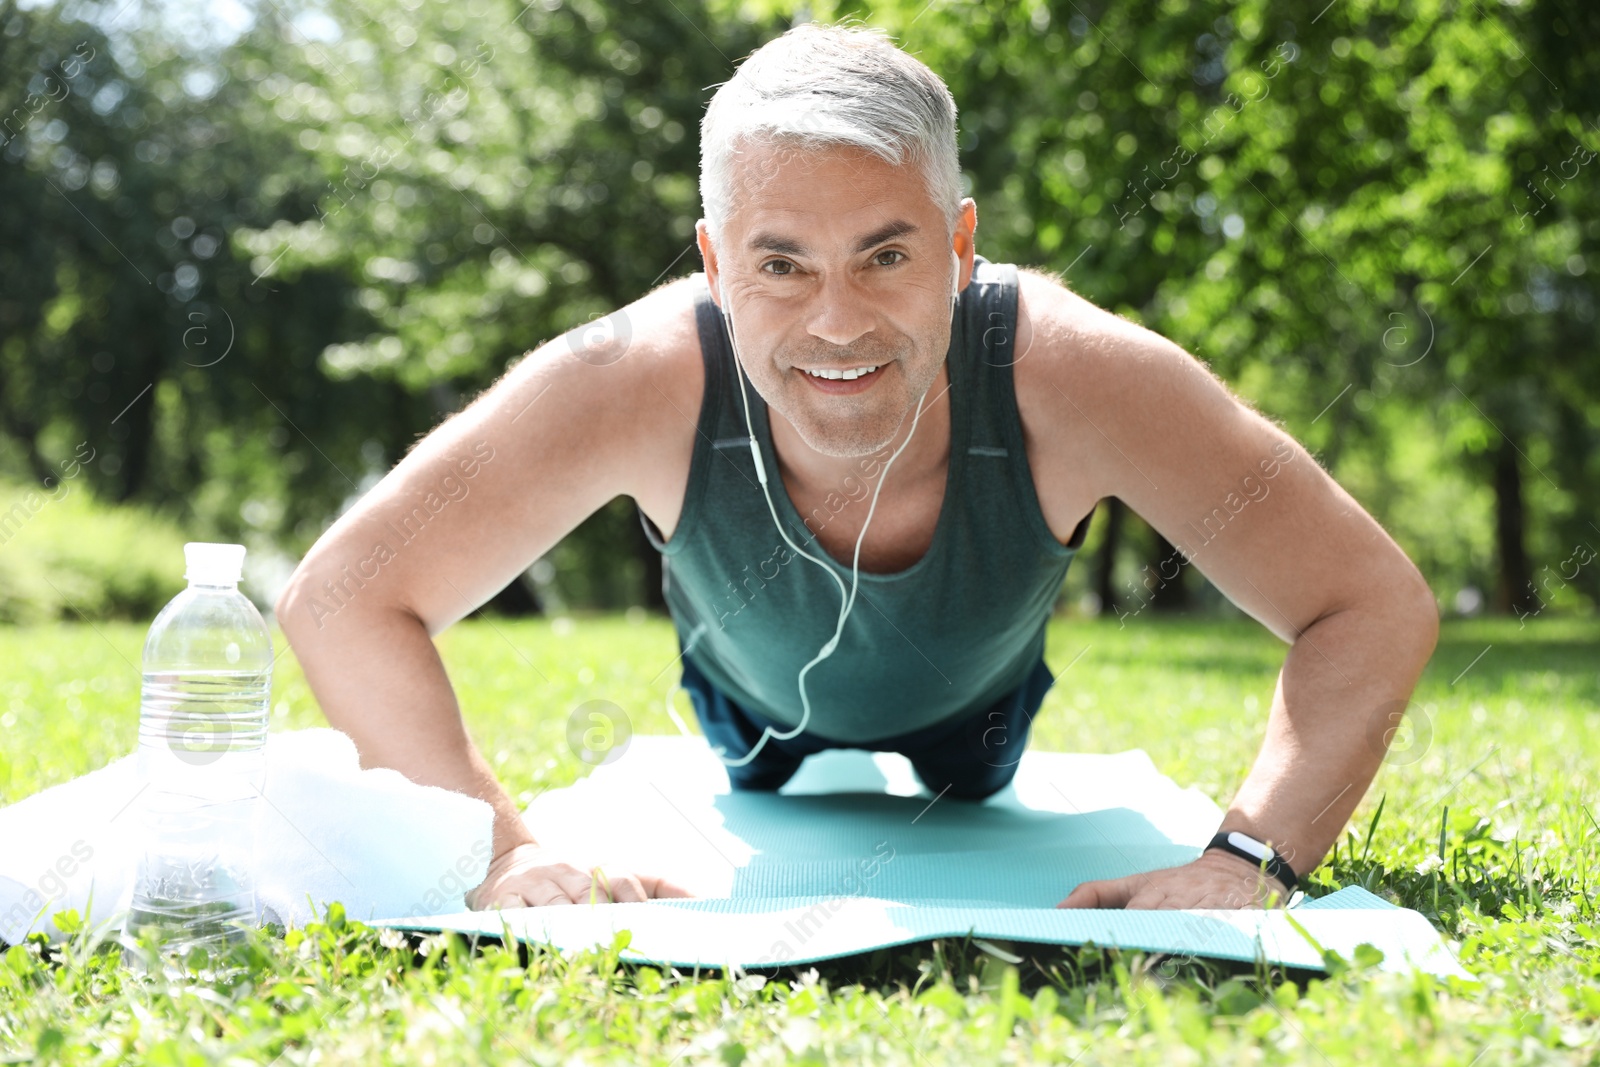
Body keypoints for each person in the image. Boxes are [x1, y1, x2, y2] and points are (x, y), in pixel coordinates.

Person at [275, 23, 1439, 912]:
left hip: (978, 719)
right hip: (746, 715)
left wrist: (1249, 857)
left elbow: (1367, 602)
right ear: (715, 259)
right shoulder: (633, 373)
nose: (837, 323)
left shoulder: (1074, 372)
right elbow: (343, 595)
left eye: (885, 254)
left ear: (961, 243)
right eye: (780, 265)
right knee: (758, 752)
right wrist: (506, 850)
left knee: (970, 758)